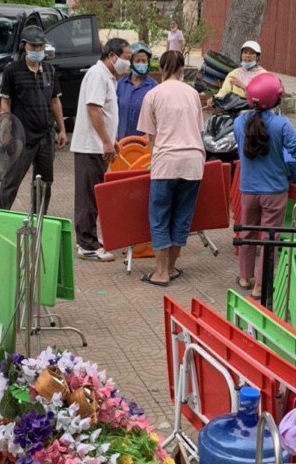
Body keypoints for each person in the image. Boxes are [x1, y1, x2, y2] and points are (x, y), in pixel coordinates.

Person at [234, 73, 296, 299]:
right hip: (274, 191)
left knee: (247, 232)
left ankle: (245, 278)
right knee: (269, 237)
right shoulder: (281, 124)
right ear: (276, 99)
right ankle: (261, 286)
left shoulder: (238, 122)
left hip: (248, 189)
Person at [136, 50, 205, 285]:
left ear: (162, 68)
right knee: (182, 216)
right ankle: (172, 267)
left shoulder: (153, 94)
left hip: (166, 162)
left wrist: (153, 161)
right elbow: (198, 129)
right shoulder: (193, 94)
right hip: (194, 162)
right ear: (182, 68)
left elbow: (151, 138)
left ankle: (161, 272)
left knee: (159, 216)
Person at [71, 37, 132, 260]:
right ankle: (86, 244)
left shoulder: (108, 77)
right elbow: (94, 110)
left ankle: (90, 238)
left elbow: (104, 114)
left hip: (99, 145)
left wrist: (110, 139)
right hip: (90, 146)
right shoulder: (98, 75)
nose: (128, 62)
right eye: (126, 57)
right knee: (87, 196)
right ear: (112, 56)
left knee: (94, 194)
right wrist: (106, 141)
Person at [0, 26, 67, 213]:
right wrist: (6, 133)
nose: (37, 50)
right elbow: (5, 103)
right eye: (33, 46)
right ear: (24, 46)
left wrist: (62, 129)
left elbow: (55, 101)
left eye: (40, 46)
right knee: (11, 181)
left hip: (46, 135)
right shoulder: (12, 70)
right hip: (22, 136)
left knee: (44, 182)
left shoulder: (50, 70)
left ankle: (38, 221)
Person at [116, 41, 157, 140]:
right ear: (131, 63)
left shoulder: (154, 87)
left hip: (143, 145)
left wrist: (151, 134)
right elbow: (113, 111)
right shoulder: (121, 84)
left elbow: (159, 116)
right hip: (121, 143)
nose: (141, 64)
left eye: (144, 61)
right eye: (137, 61)